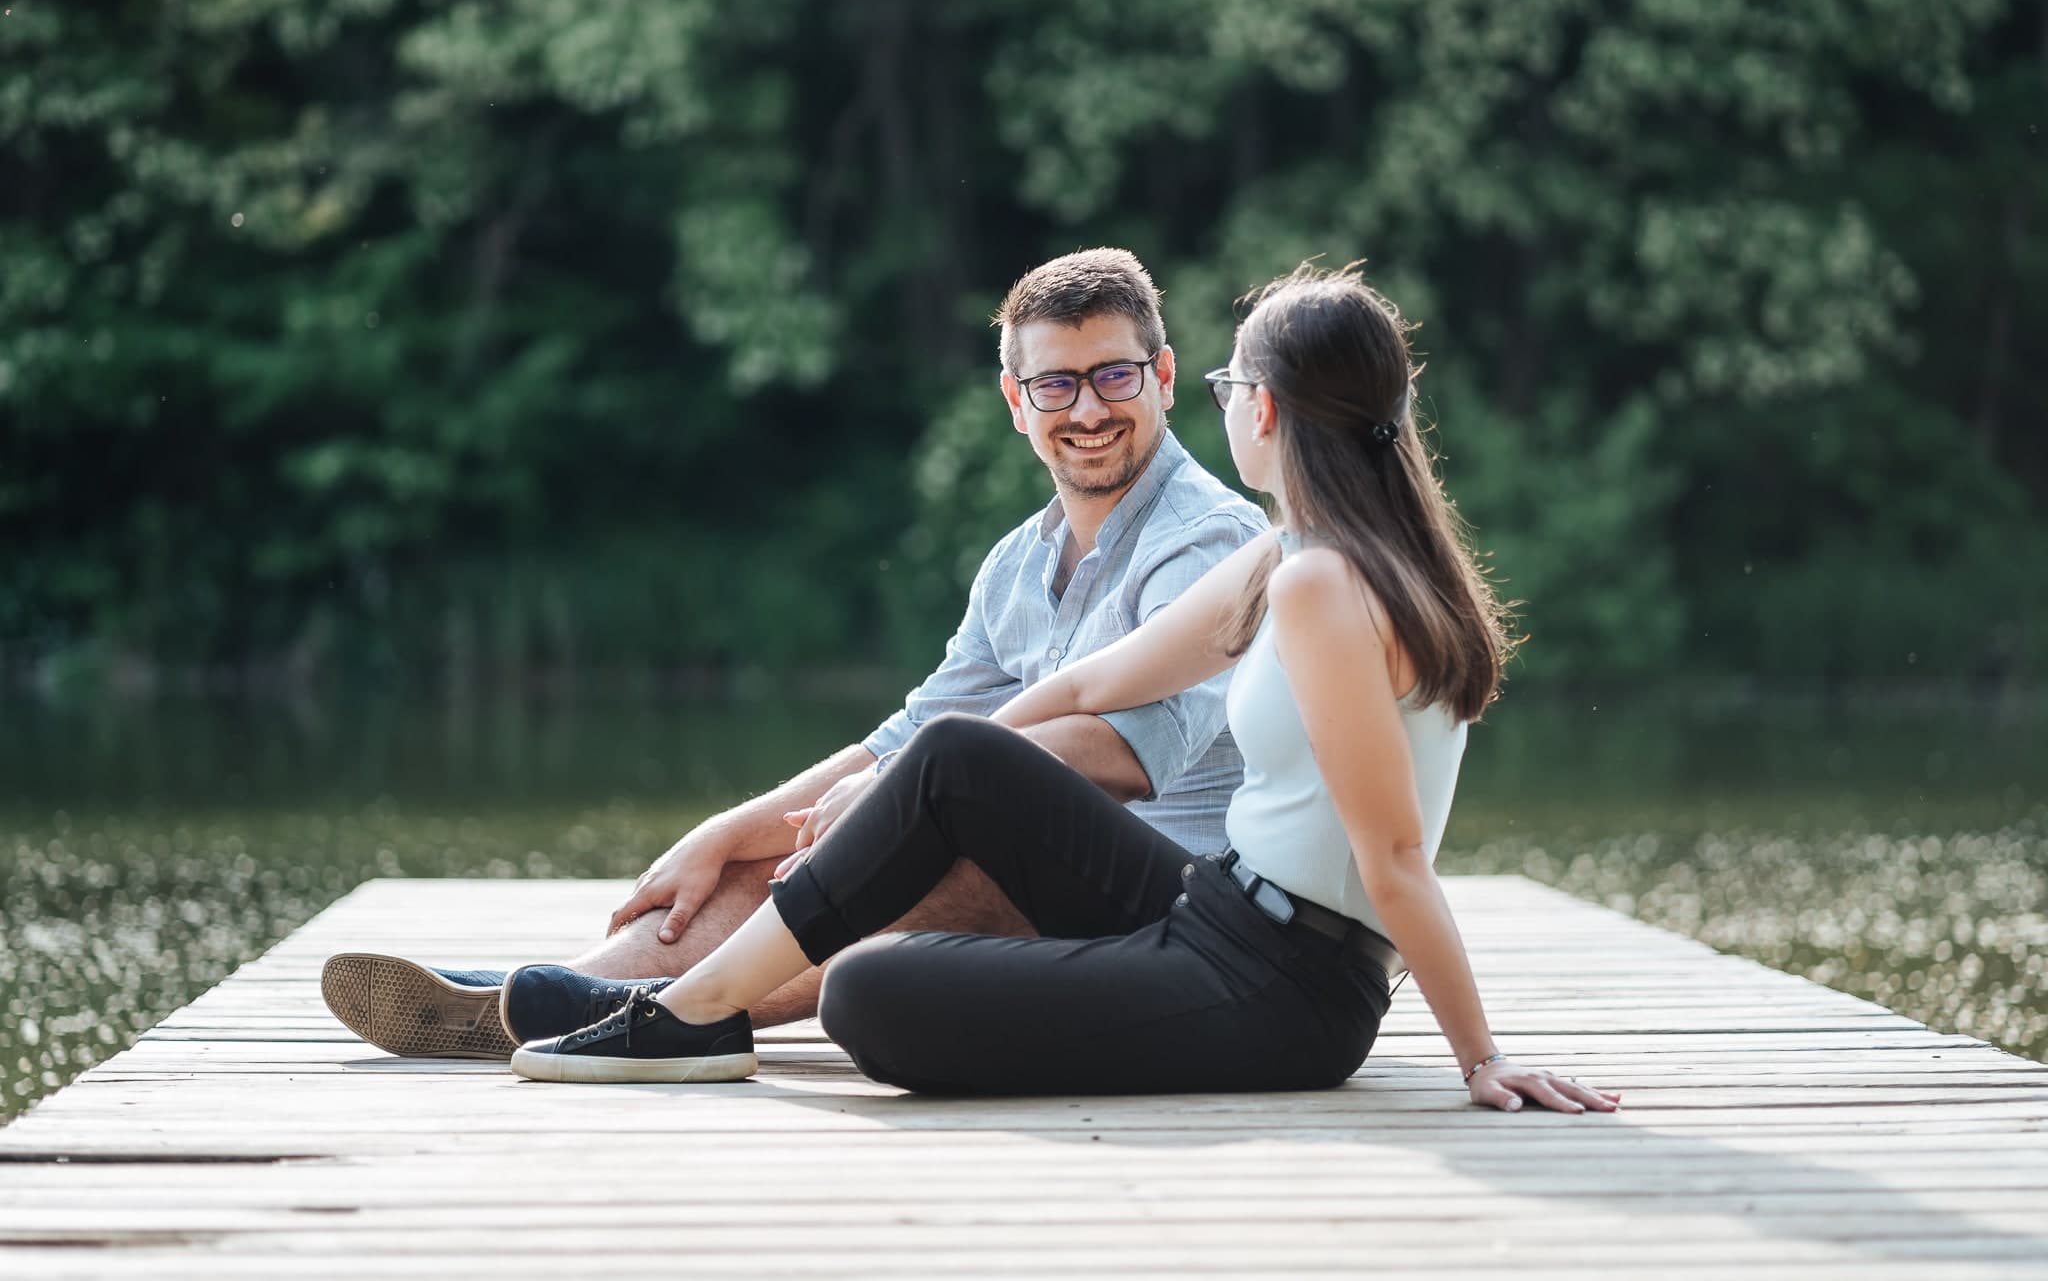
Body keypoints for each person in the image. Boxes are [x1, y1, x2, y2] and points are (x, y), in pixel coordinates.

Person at [507, 262, 1621, 1114]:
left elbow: (1394, 859)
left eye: (1231, 384)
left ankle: (683, 1007)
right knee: (955, 753)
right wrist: (906, 783)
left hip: (1288, 987)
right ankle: (691, 1011)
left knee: (867, 995)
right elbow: (1096, 677)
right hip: (1216, 908)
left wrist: (1481, 1057)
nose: (1225, 406)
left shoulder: (1324, 586)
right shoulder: (1293, 554)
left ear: (1267, 408)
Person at [320, 247, 1269, 1058]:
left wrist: (892, 793)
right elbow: (909, 735)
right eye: (1056, 384)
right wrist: (731, 832)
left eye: (1114, 376)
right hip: (1060, 888)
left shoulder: (1208, 542)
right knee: (778, 857)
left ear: (1163, 376)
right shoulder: (1018, 564)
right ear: (1016, 403)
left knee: (942, 854)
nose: (1088, 408)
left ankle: (639, 1009)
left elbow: (1126, 754)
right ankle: (560, 990)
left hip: (1178, 915)